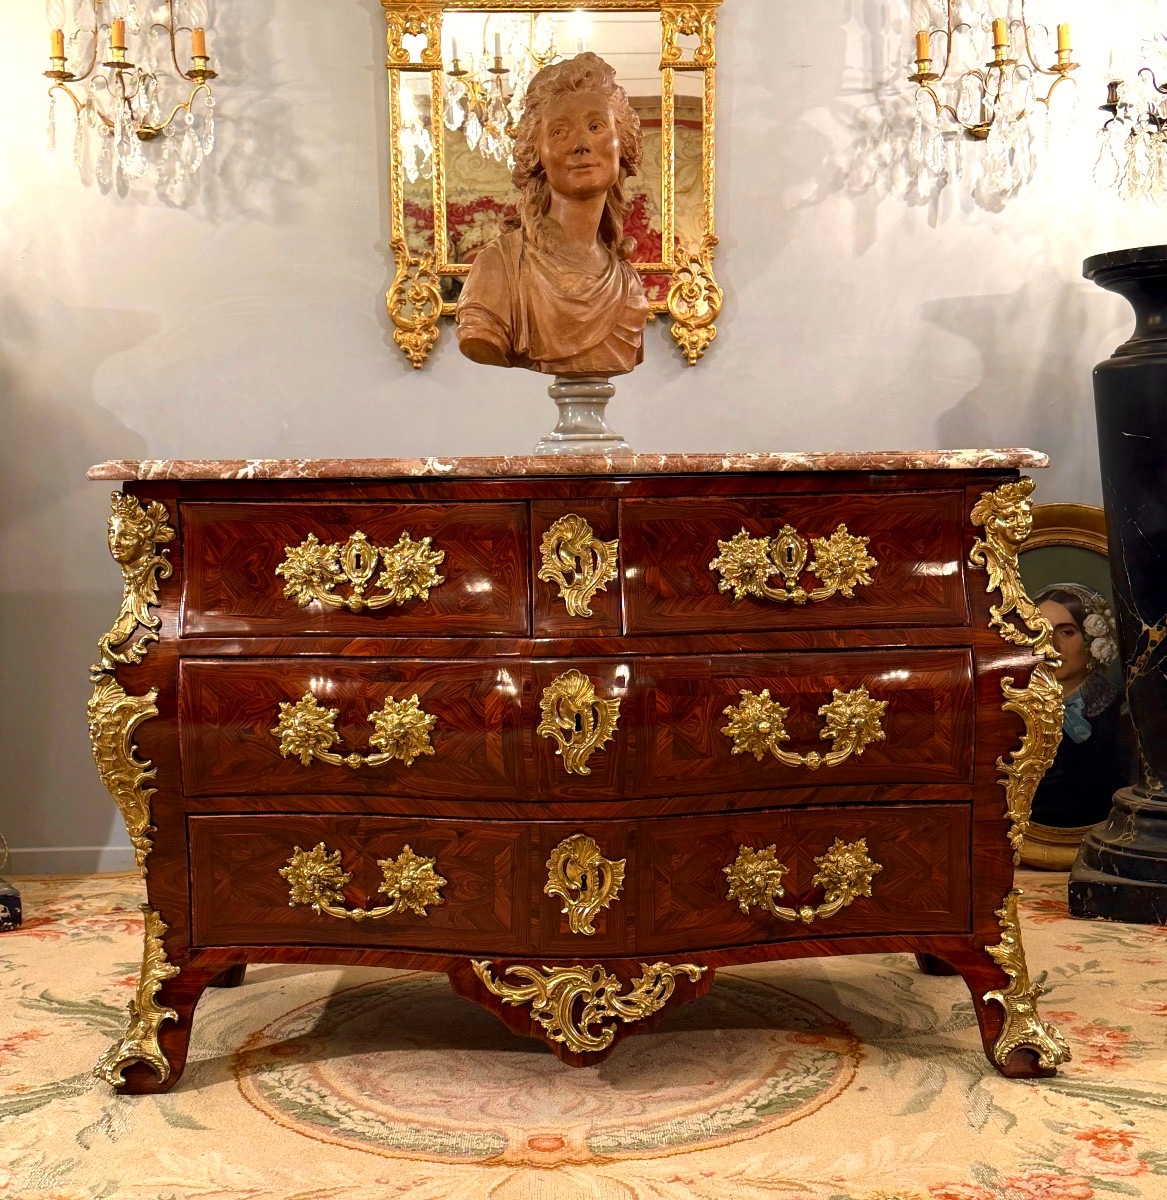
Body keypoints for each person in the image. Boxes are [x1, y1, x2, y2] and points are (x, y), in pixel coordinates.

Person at [455, 53, 650, 378]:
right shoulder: (501, 267)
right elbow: (479, 337)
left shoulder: (627, 285)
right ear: (538, 154)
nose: (581, 144)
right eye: (560, 132)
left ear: (621, 144)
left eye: (596, 126)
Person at [1031, 582, 1134, 828]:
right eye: (1039, 631)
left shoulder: (1121, 711)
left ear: (1095, 642)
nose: (1051, 646)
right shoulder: (1014, 705)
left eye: (1066, 632)